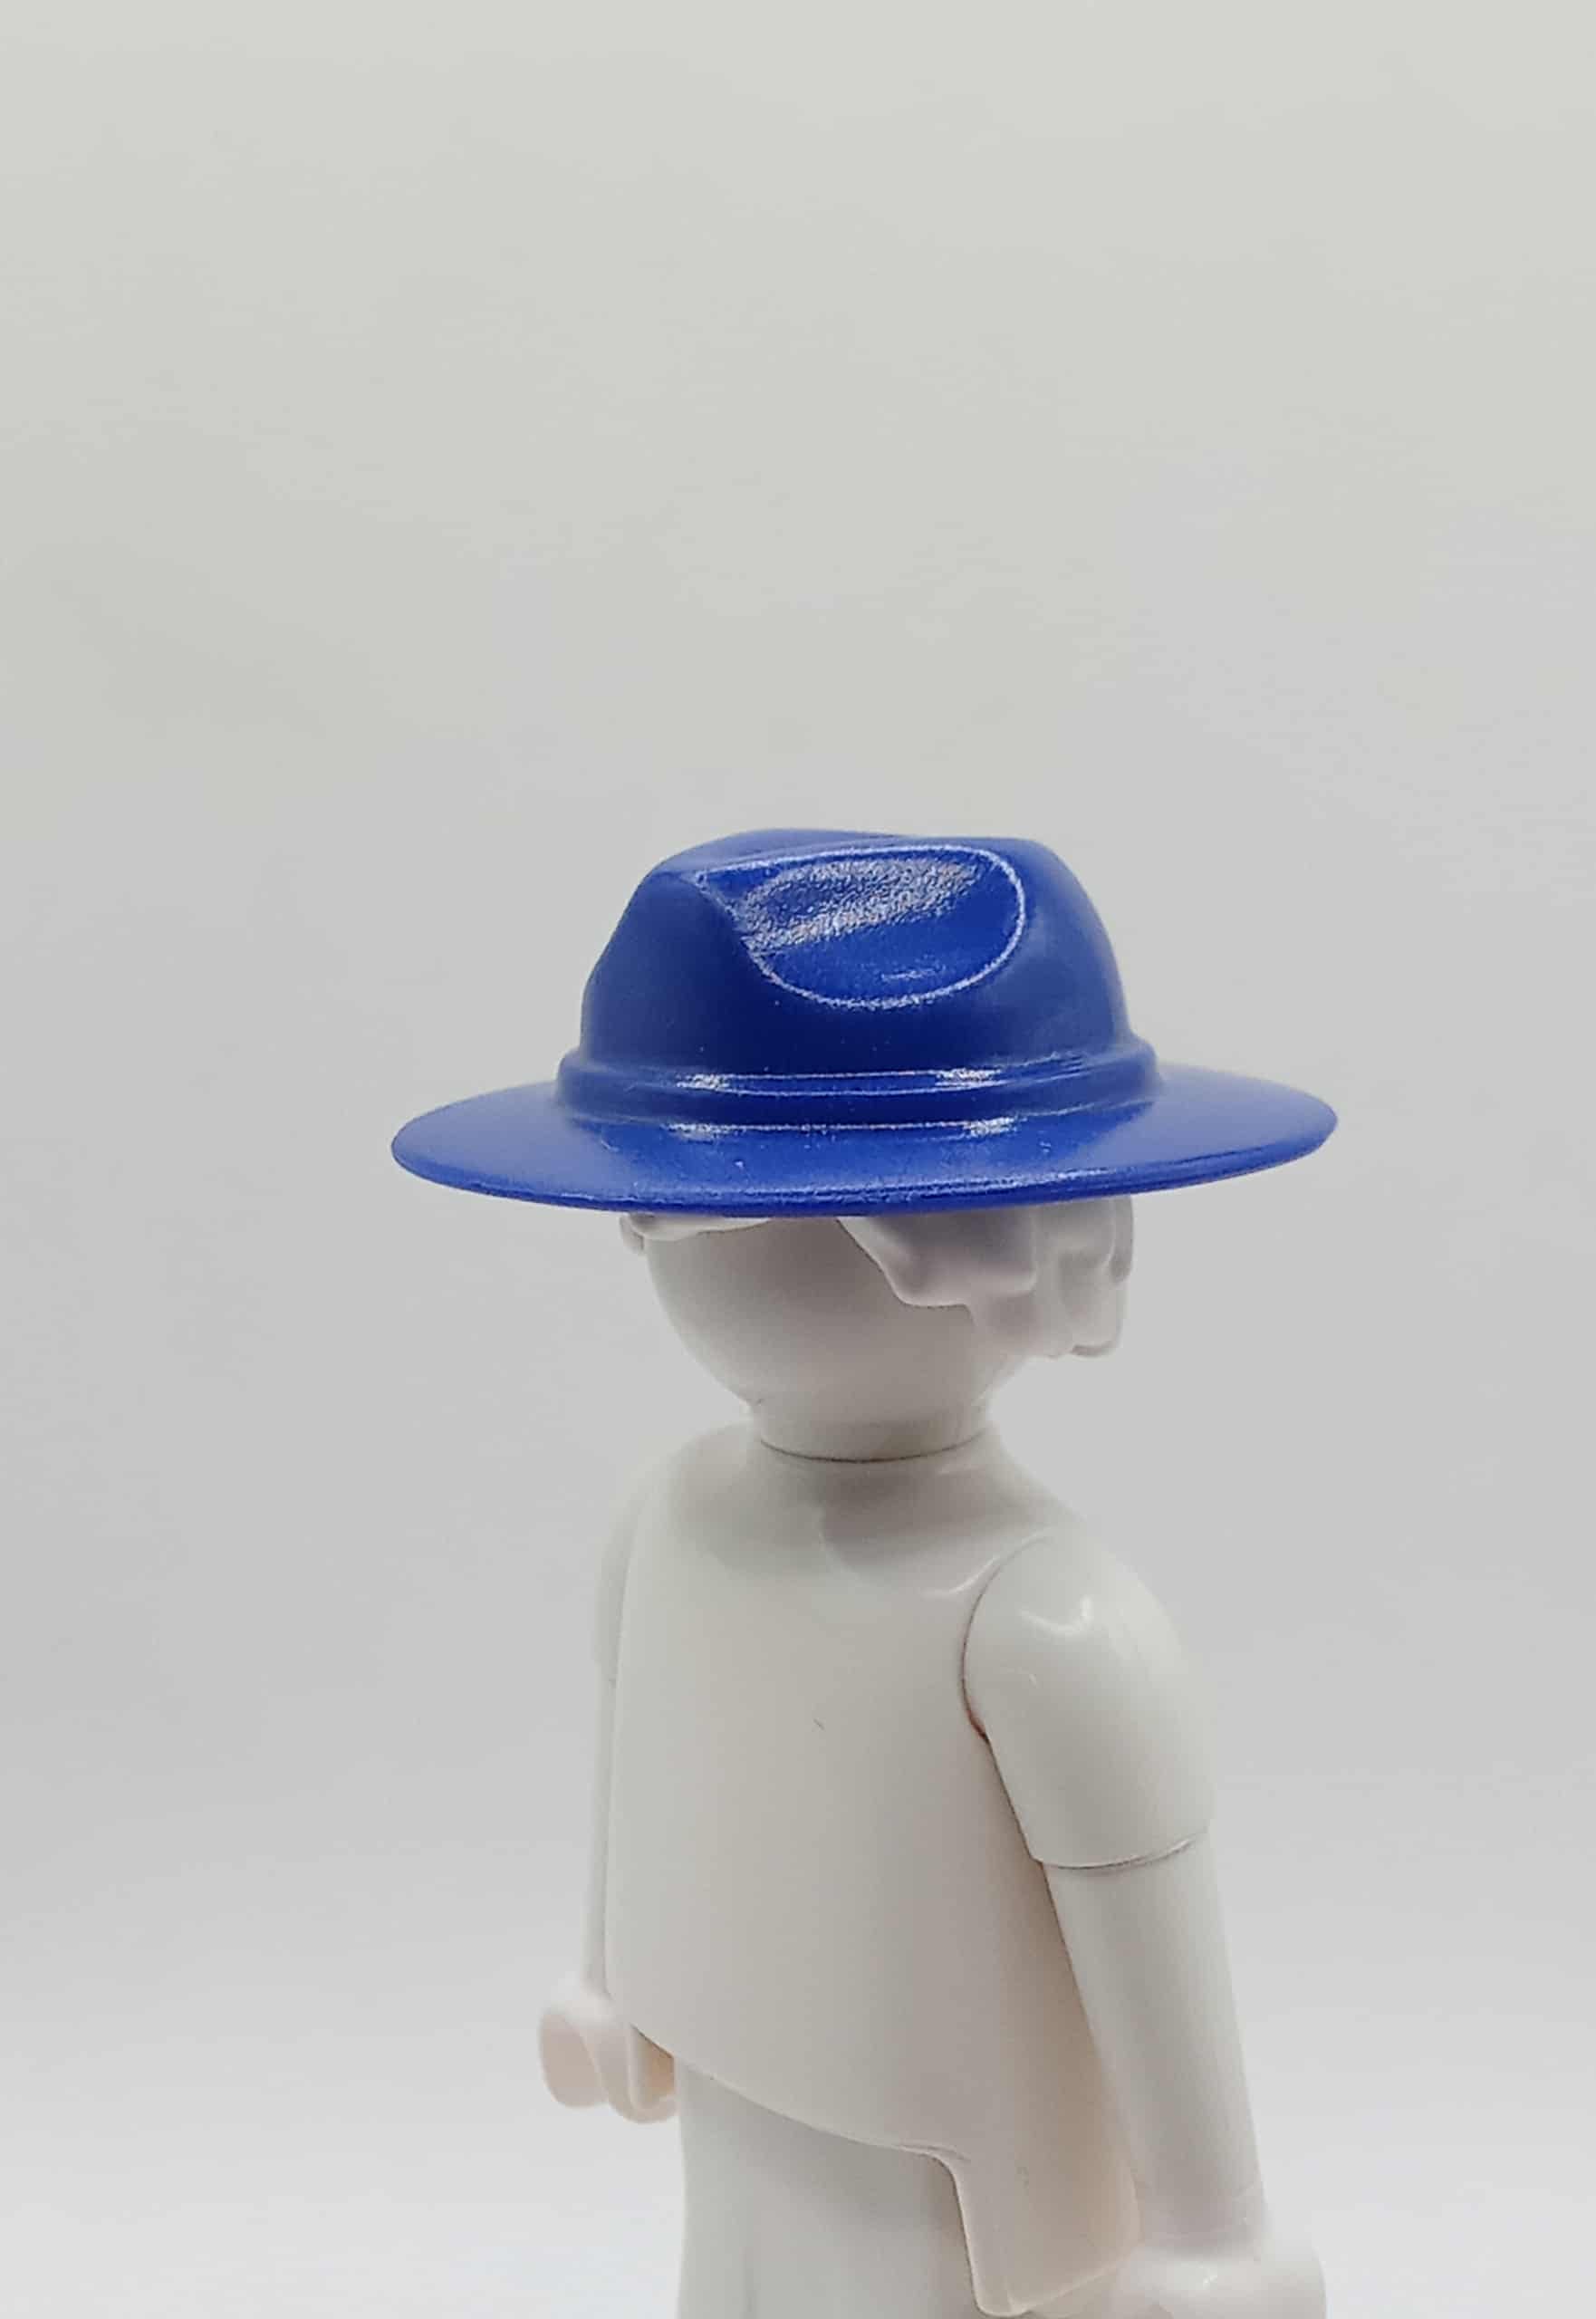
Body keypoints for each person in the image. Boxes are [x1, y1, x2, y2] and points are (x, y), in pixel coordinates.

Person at [393, 829, 1336, 2318]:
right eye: (666, 1207)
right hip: (738, 2102)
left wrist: (1211, 2226)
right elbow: (644, 1759)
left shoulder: (1047, 1619)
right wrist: (613, 1979)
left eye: (703, 1206)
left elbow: (1143, 1926)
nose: (660, 1236)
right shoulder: (671, 1515)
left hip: (951, 2190)